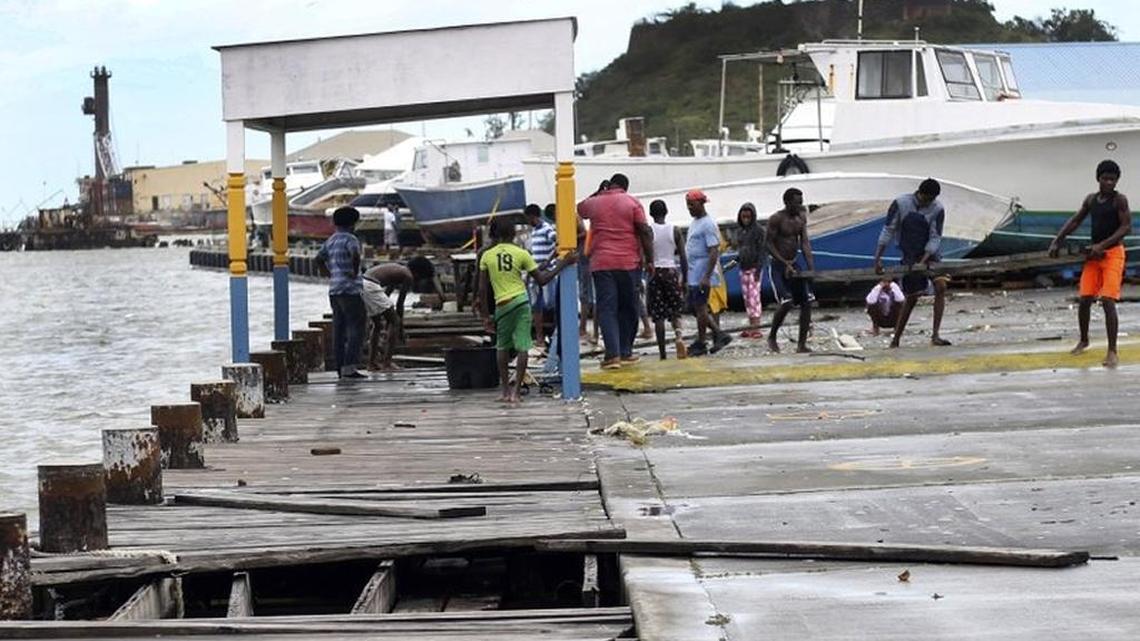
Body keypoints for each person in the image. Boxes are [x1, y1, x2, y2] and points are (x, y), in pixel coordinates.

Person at [477, 217, 575, 403]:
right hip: (521, 303)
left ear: (493, 234)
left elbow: (482, 289)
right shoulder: (521, 253)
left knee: (502, 347)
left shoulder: (487, 256)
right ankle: (516, 393)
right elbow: (542, 278)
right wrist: (562, 264)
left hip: (502, 305)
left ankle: (505, 391)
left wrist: (485, 316)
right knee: (523, 346)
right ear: (513, 233)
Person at [1049, 159, 1132, 368]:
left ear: (1117, 181)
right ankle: (1084, 340)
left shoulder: (1119, 200)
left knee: (1107, 300)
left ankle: (1112, 351)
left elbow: (1125, 228)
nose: (1109, 183)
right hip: (1094, 256)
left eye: (1112, 180)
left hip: (1113, 253)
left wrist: (1103, 245)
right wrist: (1057, 240)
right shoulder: (1091, 200)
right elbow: (1076, 220)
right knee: (1085, 298)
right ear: (1098, 179)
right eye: (1105, 179)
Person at [577, 173, 654, 369]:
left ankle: (613, 356)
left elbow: (580, 209)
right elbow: (644, 231)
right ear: (625, 187)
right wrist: (650, 259)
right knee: (629, 308)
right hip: (629, 263)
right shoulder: (632, 202)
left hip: (602, 264)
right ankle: (626, 352)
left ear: (609, 185)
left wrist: (599, 191)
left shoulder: (595, 202)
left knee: (607, 309)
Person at [873, 178, 951, 348]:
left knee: (941, 287)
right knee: (911, 298)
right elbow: (888, 229)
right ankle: (896, 339)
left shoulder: (938, 208)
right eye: (926, 199)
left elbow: (935, 236)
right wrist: (877, 258)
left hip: (931, 254)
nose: (928, 202)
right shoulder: (901, 203)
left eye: (932, 199)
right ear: (919, 193)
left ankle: (935, 335)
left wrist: (923, 260)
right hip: (909, 254)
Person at [315, 206, 366, 379]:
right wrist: (354, 271)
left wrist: (328, 274)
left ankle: (339, 367)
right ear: (353, 223)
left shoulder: (330, 240)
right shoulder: (351, 239)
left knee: (339, 328)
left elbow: (318, 259)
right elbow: (355, 255)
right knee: (357, 327)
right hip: (350, 289)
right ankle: (350, 367)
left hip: (334, 289)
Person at [765, 188, 815, 354]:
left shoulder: (801, 218)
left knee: (806, 302)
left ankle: (801, 344)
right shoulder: (777, 219)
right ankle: (772, 336)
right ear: (787, 202)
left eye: (801, 202)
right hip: (778, 266)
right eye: (796, 202)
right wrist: (783, 262)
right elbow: (769, 244)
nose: (799, 205)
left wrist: (810, 266)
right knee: (786, 302)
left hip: (794, 264)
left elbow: (805, 243)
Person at [684, 189, 731, 356]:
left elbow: (713, 251)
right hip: (693, 272)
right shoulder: (695, 222)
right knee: (695, 307)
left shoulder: (708, 224)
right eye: (687, 205)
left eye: (692, 204)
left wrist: (706, 275)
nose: (689, 208)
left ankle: (706, 339)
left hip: (702, 272)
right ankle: (715, 335)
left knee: (701, 307)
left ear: (701, 203)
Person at [646, 199, 688, 360]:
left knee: (658, 315)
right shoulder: (675, 230)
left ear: (651, 214)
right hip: (671, 271)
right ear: (666, 212)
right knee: (675, 310)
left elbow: (646, 255)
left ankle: (663, 353)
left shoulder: (649, 231)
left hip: (655, 272)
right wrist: (684, 279)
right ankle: (678, 337)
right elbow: (683, 256)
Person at [362, 262, 413, 371]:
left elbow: (386, 295)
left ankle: (372, 363)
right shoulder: (408, 275)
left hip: (362, 283)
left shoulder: (397, 270)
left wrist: (387, 316)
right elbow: (400, 304)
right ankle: (387, 363)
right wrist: (400, 329)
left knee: (377, 324)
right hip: (371, 285)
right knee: (395, 321)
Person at [525, 203, 558, 352]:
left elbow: (558, 243)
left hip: (547, 273)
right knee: (536, 307)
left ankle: (553, 338)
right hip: (535, 274)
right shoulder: (534, 231)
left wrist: (548, 261)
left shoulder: (547, 229)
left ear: (533, 216)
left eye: (528, 218)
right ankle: (539, 339)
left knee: (550, 305)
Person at [735, 202, 767, 338]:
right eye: (743, 214)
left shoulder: (759, 231)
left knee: (755, 298)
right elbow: (741, 250)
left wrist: (759, 270)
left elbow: (762, 251)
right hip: (743, 268)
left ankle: (756, 327)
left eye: (748, 214)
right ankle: (750, 326)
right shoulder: (740, 231)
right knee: (747, 299)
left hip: (754, 269)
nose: (746, 217)